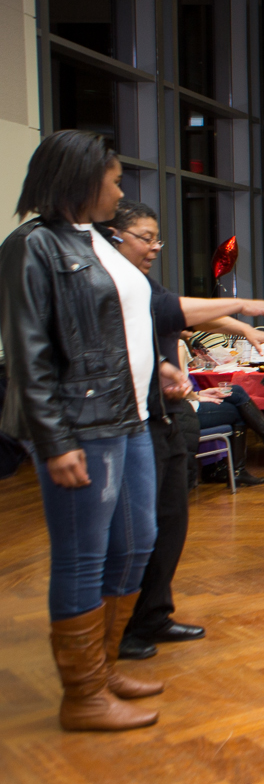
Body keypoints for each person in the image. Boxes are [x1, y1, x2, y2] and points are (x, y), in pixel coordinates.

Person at [0, 131, 164, 730]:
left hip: (130, 417)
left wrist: (163, 363)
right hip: (81, 425)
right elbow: (28, 353)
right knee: (82, 558)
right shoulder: (31, 247)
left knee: (137, 542)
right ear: (81, 179)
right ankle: (83, 695)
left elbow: (125, 321)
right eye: (114, 180)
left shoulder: (94, 241)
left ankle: (104, 664)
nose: (121, 192)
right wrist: (54, 440)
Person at [103, 200, 264, 661]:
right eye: (145, 238)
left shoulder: (142, 283)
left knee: (172, 520)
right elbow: (180, 311)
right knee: (139, 531)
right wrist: (247, 307)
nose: (154, 248)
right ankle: (122, 633)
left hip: (171, 415)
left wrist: (249, 331)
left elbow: (183, 314)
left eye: (157, 239)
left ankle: (154, 614)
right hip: (134, 421)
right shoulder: (110, 281)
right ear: (116, 237)